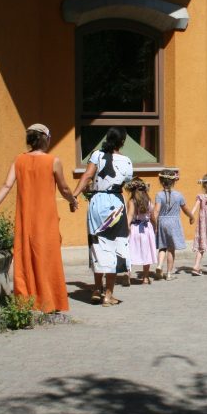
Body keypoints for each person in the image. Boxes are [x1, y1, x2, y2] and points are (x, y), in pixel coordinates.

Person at [0, 123, 77, 313]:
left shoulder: (19, 160)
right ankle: (49, 301)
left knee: (25, 256)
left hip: (25, 218)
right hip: (46, 219)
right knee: (47, 256)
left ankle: (27, 301)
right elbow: (65, 188)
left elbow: (6, 185)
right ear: (46, 139)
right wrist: (73, 200)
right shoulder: (54, 161)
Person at [71, 127, 133, 307]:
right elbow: (126, 180)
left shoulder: (96, 155)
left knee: (97, 244)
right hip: (115, 204)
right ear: (122, 141)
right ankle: (108, 294)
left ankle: (96, 290)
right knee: (115, 246)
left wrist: (74, 195)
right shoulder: (126, 161)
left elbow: (87, 176)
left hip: (97, 202)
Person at [153, 168, 193, 280]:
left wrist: (154, 223)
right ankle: (169, 274)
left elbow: (156, 211)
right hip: (174, 223)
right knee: (171, 249)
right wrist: (192, 217)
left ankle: (159, 265)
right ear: (174, 181)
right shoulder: (179, 195)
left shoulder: (159, 195)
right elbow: (185, 209)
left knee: (162, 246)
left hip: (162, 222)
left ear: (161, 181)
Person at [126, 179, 157, 284]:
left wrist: (127, 226)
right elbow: (152, 217)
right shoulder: (148, 201)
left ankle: (128, 275)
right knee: (146, 252)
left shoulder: (131, 201)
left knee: (130, 251)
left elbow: (129, 215)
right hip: (146, 228)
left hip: (134, 228)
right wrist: (155, 226)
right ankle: (145, 277)